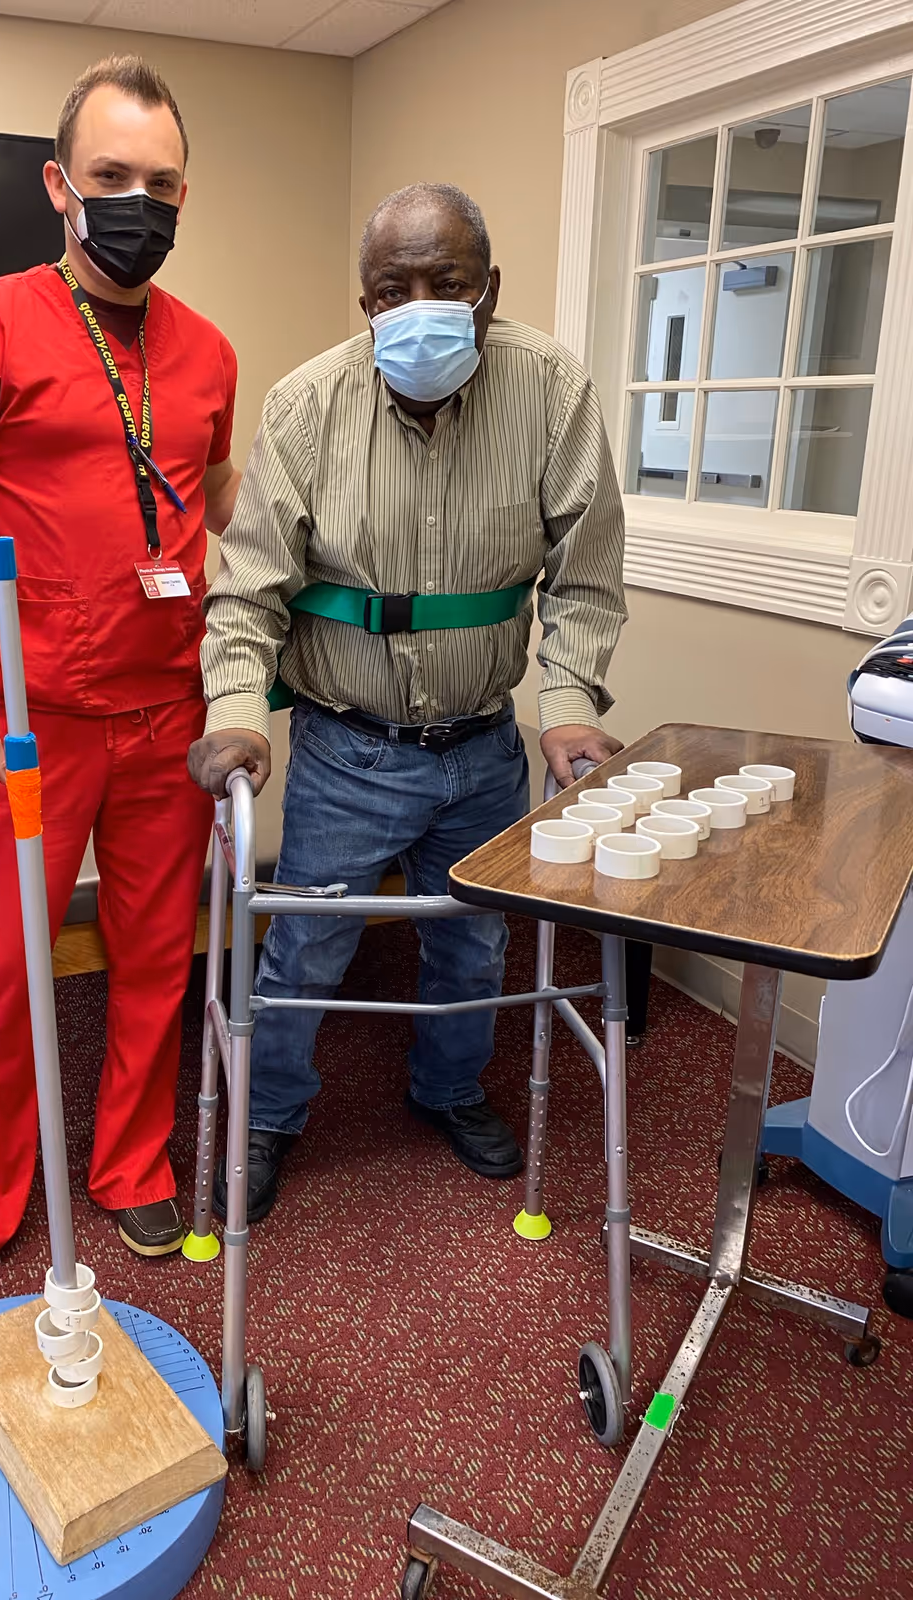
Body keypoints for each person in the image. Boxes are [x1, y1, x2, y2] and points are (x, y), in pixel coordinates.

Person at [189, 183, 626, 1224]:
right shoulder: (307, 405)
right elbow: (247, 591)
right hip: (350, 748)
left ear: (492, 289)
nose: (420, 305)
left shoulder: (550, 388)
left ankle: (450, 1088)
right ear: (364, 299)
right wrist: (237, 711)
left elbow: (585, 573)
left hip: (485, 746)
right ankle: (270, 1113)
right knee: (305, 946)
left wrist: (564, 702)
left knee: (476, 941)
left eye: (450, 283)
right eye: (394, 288)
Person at [0, 55, 240, 1315]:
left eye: (159, 182)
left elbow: (218, 523)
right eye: (108, 178)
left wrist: (236, 691)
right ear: (59, 185)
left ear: (185, 192)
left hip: (171, 723)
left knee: (157, 957)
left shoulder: (210, 354)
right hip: (35, 728)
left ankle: (133, 1163)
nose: (135, 201)